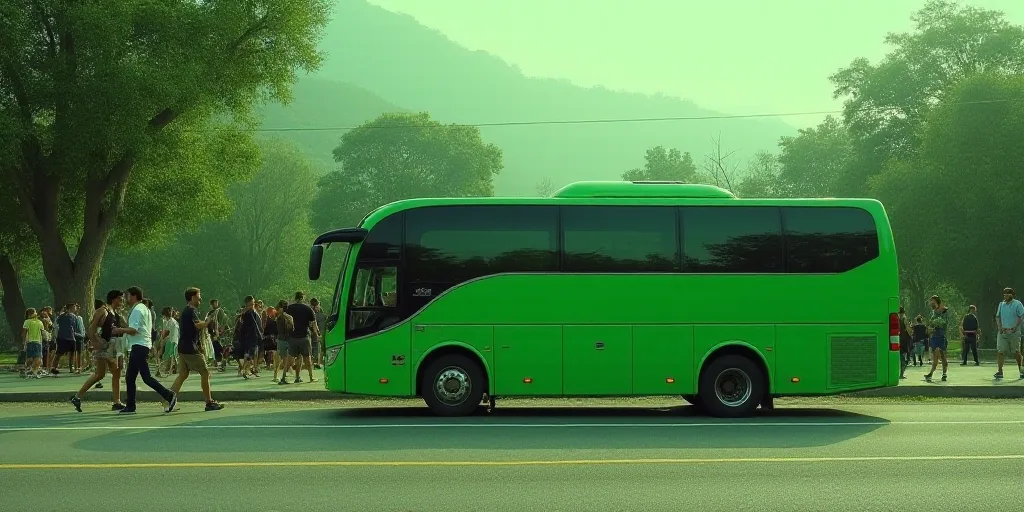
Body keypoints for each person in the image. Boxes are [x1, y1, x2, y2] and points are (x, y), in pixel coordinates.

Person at [114, 286, 176, 414]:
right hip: (141, 345)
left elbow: (134, 330)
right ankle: (131, 405)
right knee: (130, 377)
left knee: (146, 377)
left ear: (134, 296)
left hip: (139, 346)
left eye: (128, 296)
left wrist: (119, 330)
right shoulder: (144, 309)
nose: (126, 299)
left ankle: (169, 395)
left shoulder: (137, 310)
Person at [70, 290, 127, 411]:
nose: (122, 301)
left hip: (113, 345)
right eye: (120, 299)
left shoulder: (115, 313)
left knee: (108, 374)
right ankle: (78, 396)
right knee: (105, 373)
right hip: (105, 346)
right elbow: (91, 327)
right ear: (114, 299)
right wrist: (96, 342)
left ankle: (116, 401)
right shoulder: (103, 310)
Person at [168, 287, 223, 411]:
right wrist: (209, 320)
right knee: (205, 373)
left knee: (183, 374)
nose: (200, 299)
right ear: (192, 298)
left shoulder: (188, 311)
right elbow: (198, 325)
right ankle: (209, 402)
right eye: (198, 297)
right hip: (189, 348)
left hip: (183, 347)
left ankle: (167, 400)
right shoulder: (190, 311)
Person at [284, 291, 320, 384]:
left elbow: (284, 319)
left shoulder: (289, 308)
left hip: (292, 337)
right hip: (304, 336)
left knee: (290, 358)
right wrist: (316, 334)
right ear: (303, 298)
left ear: (295, 298)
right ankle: (311, 377)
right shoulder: (308, 309)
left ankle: (285, 377)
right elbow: (314, 324)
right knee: (307, 358)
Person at [994, 287, 1024, 380]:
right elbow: (998, 316)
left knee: (1016, 351)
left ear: (1012, 294)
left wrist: (1015, 327)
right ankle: (1000, 371)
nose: (1006, 295)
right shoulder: (1001, 304)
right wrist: (1000, 327)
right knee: (1000, 351)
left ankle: (1021, 370)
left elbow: (1021, 316)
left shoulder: (1017, 304)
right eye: (1004, 294)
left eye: (1008, 293)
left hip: (1014, 332)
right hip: (1003, 331)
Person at [924, 295, 949, 383]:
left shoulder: (944, 311)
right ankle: (930, 374)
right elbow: (930, 323)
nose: (931, 304)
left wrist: (937, 323)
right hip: (934, 336)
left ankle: (944, 373)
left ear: (937, 302)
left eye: (933, 302)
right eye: (931, 302)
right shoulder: (932, 312)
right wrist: (929, 328)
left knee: (942, 355)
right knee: (935, 356)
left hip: (941, 335)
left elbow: (944, 322)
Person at [238, 296, 263, 379]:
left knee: (253, 354)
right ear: (247, 304)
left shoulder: (247, 313)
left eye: (253, 303)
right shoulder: (249, 313)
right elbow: (254, 325)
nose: (252, 305)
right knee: (250, 356)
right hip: (251, 337)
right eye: (251, 304)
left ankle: (250, 370)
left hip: (251, 337)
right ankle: (245, 370)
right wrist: (259, 335)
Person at [22, 308, 45, 378]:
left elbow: (42, 332)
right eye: (34, 312)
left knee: (38, 358)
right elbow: (24, 332)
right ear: (30, 314)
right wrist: (24, 342)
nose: (36, 313)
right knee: (30, 358)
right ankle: (28, 370)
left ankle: (33, 372)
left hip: (38, 342)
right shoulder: (27, 321)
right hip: (30, 342)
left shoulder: (40, 322)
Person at [156, 307, 179, 378]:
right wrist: (160, 341)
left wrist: (160, 342)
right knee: (171, 355)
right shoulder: (168, 321)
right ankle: (171, 369)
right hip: (171, 340)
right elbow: (164, 332)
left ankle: (166, 369)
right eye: (170, 311)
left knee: (169, 355)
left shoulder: (171, 321)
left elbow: (165, 333)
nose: (171, 312)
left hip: (173, 340)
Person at [310, 298, 327, 369]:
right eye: (318, 306)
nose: (319, 307)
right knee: (318, 349)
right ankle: (317, 363)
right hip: (318, 334)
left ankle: (315, 363)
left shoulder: (310, 313)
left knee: (315, 349)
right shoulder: (321, 316)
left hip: (312, 334)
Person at [898, 306, 912, 379]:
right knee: (905, 357)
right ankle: (901, 374)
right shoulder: (904, 318)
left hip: (898, 339)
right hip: (904, 340)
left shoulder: (897, 318)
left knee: (900, 355)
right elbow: (908, 328)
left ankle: (900, 373)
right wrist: (911, 333)